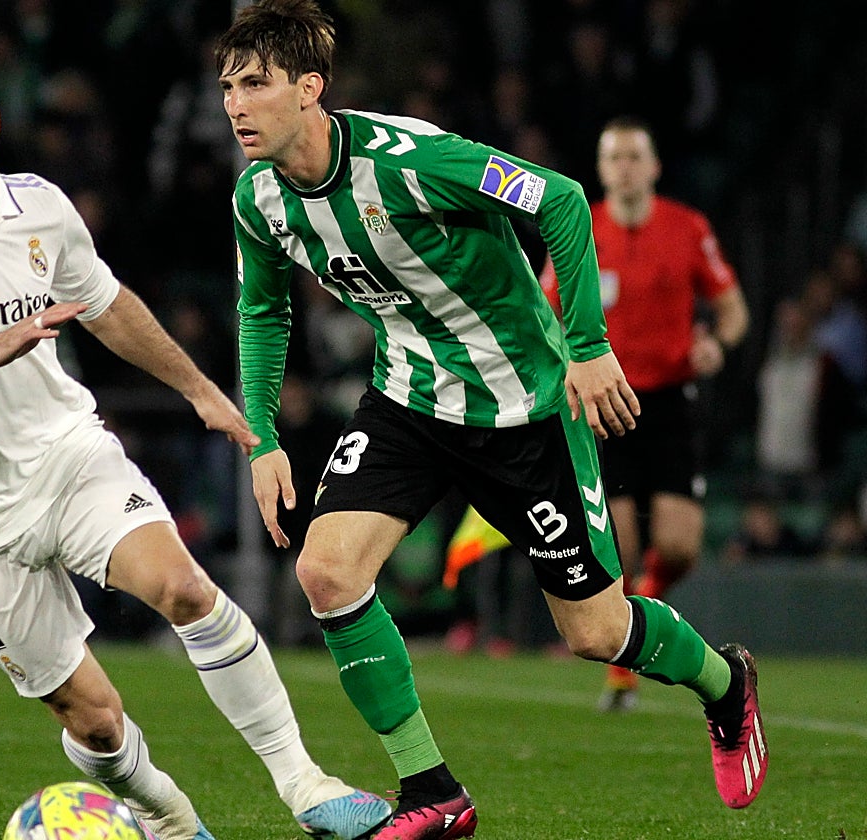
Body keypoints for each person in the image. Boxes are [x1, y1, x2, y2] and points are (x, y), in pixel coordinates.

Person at [215, 2, 768, 836]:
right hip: (408, 400)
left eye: (254, 83)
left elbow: (561, 200)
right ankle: (433, 793)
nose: (234, 103)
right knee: (327, 573)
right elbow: (262, 312)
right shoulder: (258, 198)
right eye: (226, 86)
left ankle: (726, 686)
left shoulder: (412, 161)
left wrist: (586, 346)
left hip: (525, 413)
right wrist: (260, 436)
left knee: (597, 630)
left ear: (310, 89)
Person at [0, 44, 391, 840]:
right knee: (94, 720)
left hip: (65, 455)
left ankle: (306, 784)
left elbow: (107, 304)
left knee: (186, 590)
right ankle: (164, 815)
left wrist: (201, 392)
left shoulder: (41, 208)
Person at [539, 115, 750, 713]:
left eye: (635, 156)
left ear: (654, 166)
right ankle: (625, 672)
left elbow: (733, 308)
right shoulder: (582, 228)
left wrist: (719, 343)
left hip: (670, 402)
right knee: (623, 549)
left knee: (680, 547)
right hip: (605, 405)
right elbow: (542, 309)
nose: (625, 167)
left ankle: (649, 605)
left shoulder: (688, 228)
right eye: (614, 158)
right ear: (602, 169)